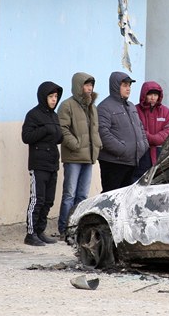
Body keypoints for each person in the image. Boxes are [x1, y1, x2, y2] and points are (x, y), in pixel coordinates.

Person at [56, 72, 102, 239]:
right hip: (73, 157)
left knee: (82, 196)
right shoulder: (67, 105)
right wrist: (75, 144)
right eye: (86, 85)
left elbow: (95, 130)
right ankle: (64, 229)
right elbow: (62, 128)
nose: (89, 88)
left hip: (89, 157)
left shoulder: (92, 107)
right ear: (78, 86)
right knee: (69, 194)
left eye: (91, 85)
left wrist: (97, 145)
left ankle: (77, 229)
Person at [21, 81, 63, 246]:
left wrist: (60, 135)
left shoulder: (54, 115)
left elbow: (58, 136)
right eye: (51, 96)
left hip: (52, 163)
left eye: (56, 97)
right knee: (37, 199)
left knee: (48, 200)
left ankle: (40, 230)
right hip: (38, 164)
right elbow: (26, 137)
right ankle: (30, 234)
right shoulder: (33, 115)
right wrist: (45, 130)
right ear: (43, 97)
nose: (54, 100)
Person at [97, 71, 148, 192]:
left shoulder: (131, 106)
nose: (128, 88)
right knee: (111, 197)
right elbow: (102, 132)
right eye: (125, 85)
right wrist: (122, 149)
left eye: (129, 85)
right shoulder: (104, 107)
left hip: (132, 161)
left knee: (125, 199)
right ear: (116, 86)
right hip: (113, 163)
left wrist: (143, 145)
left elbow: (140, 127)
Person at [132, 81, 169, 180]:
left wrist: (156, 138)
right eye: (150, 94)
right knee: (138, 180)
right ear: (144, 95)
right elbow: (135, 128)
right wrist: (151, 138)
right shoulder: (135, 110)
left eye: (155, 95)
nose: (153, 98)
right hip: (141, 153)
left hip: (160, 154)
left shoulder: (165, 111)